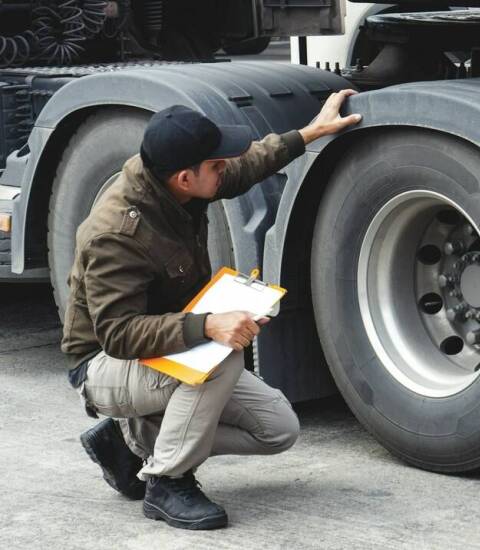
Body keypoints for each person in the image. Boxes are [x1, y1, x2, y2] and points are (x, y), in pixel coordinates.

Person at [60, 90, 362, 530]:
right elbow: (118, 334)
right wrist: (209, 325)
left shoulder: (178, 185)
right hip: (103, 365)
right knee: (222, 358)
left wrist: (310, 133)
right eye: (216, 166)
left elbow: (247, 164)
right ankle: (167, 482)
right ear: (185, 177)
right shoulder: (118, 234)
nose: (225, 170)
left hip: (163, 346)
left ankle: (134, 442)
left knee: (277, 429)